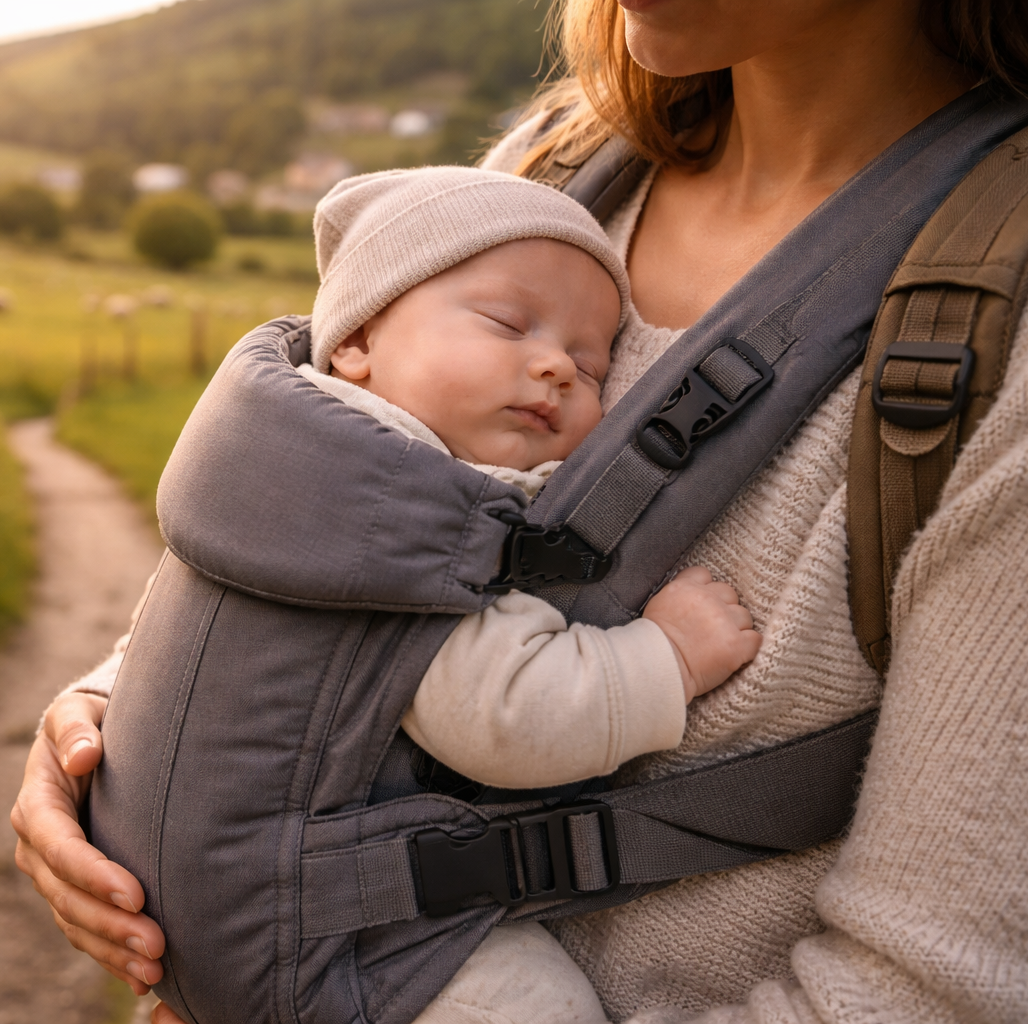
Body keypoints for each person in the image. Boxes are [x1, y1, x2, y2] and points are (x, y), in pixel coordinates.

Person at [13, 0, 1028, 1020]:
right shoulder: (553, 173)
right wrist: (126, 720)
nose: (554, 373)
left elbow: (963, 992)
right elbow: (323, 506)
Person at [77, 164, 766, 1022]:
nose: (555, 365)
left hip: (204, 914)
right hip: (314, 941)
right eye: (507, 324)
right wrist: (666, 658)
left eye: (593, 368)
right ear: (358, 342)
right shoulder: (392, 518)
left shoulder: (279, 465)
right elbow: (502, 716)